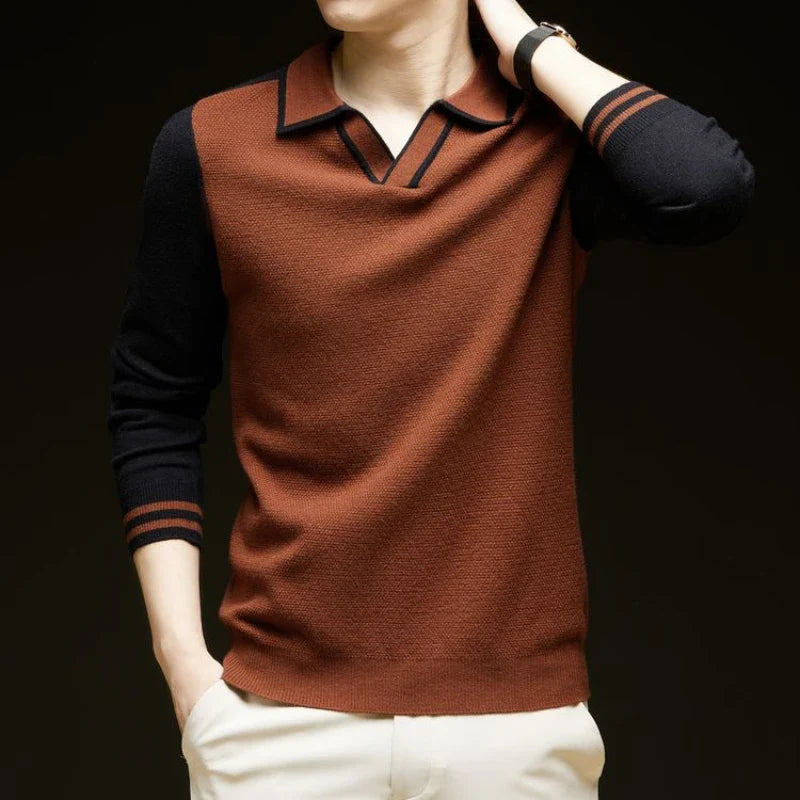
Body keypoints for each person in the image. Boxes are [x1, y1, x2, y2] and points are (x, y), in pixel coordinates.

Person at [105, 0, 754, 797]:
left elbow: (705, 187)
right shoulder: (214, 144)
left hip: (515, 732)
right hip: (274, 726)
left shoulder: (552, 139)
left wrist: (529, 44)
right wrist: (184, 668)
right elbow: (154, 399)